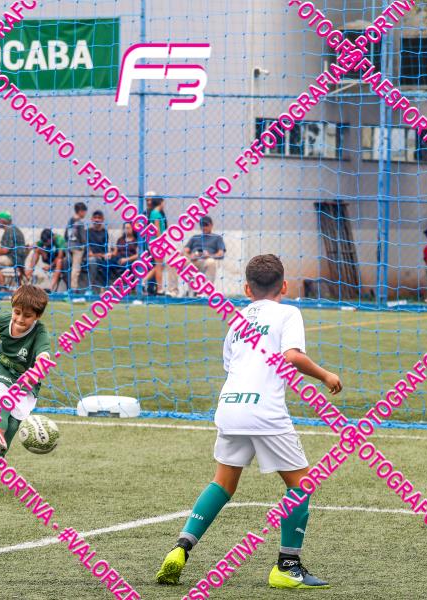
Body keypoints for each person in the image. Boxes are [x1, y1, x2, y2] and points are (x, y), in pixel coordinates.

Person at [155, 255, 341, 590]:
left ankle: (180, 548)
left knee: (222, 483)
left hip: (230, 406)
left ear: (246, 289)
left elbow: (232, 365)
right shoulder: (288, 312)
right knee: (302, 485)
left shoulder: (237, 321)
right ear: (284, 286)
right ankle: (287, 567)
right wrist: (325, 375)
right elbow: (292, 356)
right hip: (264, 411)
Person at [0, 285, 52, 495]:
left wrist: (38, 369)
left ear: (38, 316)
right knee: (2, 407)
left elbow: (44, 355)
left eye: (27, 316)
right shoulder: (3, 321)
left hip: (26, 385)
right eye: (17, 312)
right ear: (12, 308)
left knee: (9, 433)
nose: (20, 319)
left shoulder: (40, 332)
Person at [171, 216, 226, 297]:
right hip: (192, 260)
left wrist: (209, 255)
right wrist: (191, 255)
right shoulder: (195, 237)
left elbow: (220, 253)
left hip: (206, 261)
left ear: (211, 225)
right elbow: (185, 251)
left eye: (206, 225)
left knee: (211, 262)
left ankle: (205, 292)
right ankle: (173, 291)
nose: (204, 227)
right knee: (174, 262)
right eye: (202, 225)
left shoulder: (217, 238)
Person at [146, 194, 168, 295]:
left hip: (157, 242)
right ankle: (159, 289)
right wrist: (161, 243)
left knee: (159, 266)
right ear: (160, 202)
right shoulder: (155, 213)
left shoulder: (157, 213)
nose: (164, 204)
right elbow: (157, 230)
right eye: (163, 202)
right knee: (159, 266)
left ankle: (142, 282)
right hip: (157, 243)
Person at [65, 202, 88, 293]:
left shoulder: (70, 221)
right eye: (85, 212)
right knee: (76, 268)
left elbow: (66, 235)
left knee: (70, 267)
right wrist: (85, 247)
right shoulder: (80, 223)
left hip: (69, 246)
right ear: (80, 211)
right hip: (78, 248)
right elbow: (83, 238)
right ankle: (74, 288)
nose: (85, 214)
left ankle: (71, 287)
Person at [86, 210, 111, 293]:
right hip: (90, 258)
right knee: (92, 261)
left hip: (101, 258)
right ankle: (90, 288)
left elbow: (106, 249)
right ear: (92, 219)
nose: (97, 220)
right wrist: (96, 255)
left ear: (102, 219)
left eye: (99, 218)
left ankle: (104, 289)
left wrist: (106, 254)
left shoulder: (105, 232)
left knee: (109, 263)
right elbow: (88, 251)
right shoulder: (87, 232)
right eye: (95, 217)